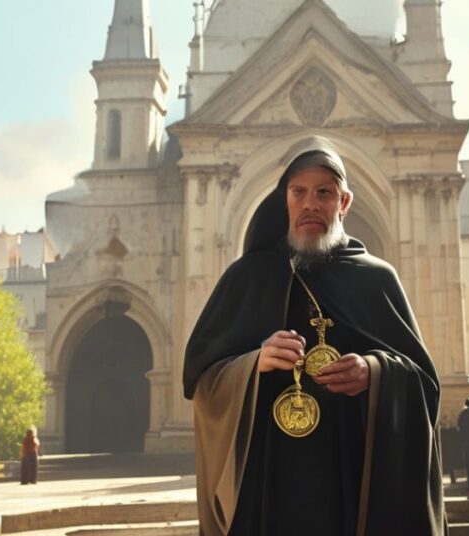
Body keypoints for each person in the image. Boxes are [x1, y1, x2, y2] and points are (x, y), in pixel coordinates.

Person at [183, 136, 446, 536]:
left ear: (344, 202)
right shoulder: (247, 277)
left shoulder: (377, 280)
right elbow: (203, 380)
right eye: (299, 192)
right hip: (268, 481)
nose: (310, 203)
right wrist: (253, 364)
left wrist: (375, 372)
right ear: (284, 200)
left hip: (352, 481)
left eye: (324, 192)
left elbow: (424, 384)